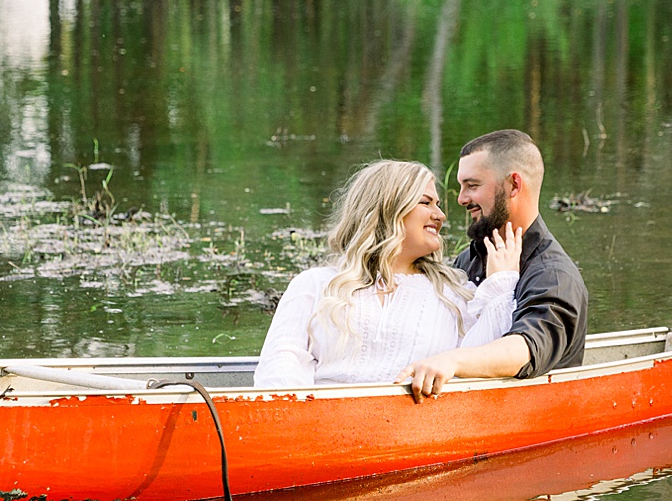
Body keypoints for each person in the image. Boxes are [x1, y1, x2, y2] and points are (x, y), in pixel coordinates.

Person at [252, 159, 523, 389]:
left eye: (437, 205)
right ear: (388, 208)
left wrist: (501, 283)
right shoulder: (315, 284)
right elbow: (280, 366)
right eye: (426, 202)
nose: (440, 215)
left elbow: (484, 366)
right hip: (318, 429)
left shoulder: (453, 291)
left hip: (416, 432)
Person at [400, 129, 588, 400]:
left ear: (513, 185)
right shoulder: (469, 258)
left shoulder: (554, 274)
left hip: (529, 417)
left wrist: (452, 361)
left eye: (472, 185)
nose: (461, 199)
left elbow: (527, 348)